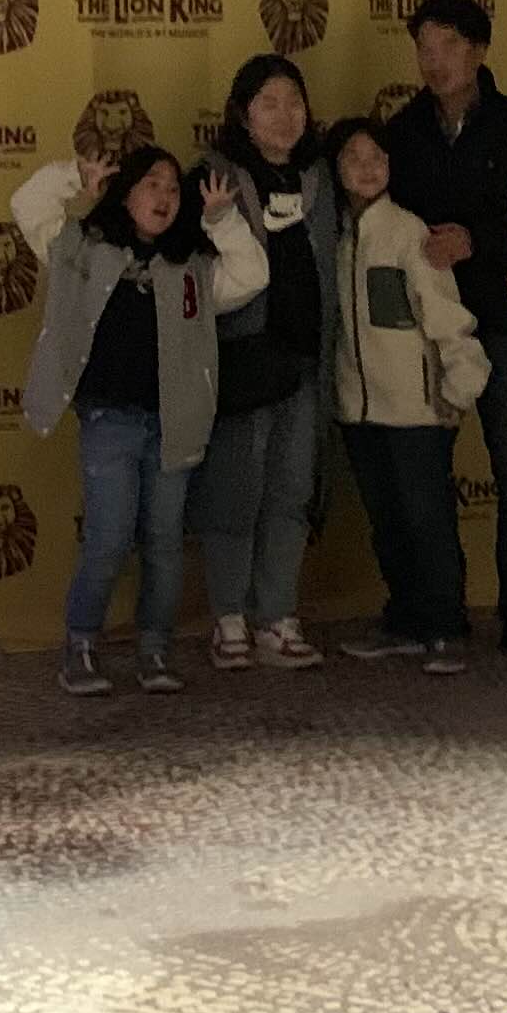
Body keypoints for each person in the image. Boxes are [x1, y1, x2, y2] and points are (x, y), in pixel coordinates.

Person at [16, 143, 269, 698]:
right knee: (108, 537)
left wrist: (222, 220)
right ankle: (81, 645)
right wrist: (73, 177)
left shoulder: (191, 267)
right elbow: (28, 206)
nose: (164, 196)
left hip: (173, 423)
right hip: (109, 419)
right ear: (125, 193)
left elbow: (252, 274)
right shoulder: (84, 250)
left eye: (173, 188)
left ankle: (155, 649)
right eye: (151, 184)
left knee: (164, 542)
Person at [383, 0, 507, 660]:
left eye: (449, 45)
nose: (435, 61)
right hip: (427, 330)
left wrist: (477, 241)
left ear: (479, 50)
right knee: (421, 480)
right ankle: (434, 612)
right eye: (424, 48)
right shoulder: (402, 133)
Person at [319, 115, 488, 676]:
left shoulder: (410, 232)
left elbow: (445, 316)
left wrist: (458, 388)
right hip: (358, 411)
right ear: (335, 170)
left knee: (427, 519)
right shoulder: (334, 238)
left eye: (377, 158)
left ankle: (445, 627)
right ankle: (405, 621)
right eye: (353, 159)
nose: (367, 169)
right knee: (388, 522)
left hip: (418, 410)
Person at [195, 55, 342, 671]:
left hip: (306, 361)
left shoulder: (320, 177)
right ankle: (228, 616)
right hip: (243, 361)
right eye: (269, 104)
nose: (285, 116)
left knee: (291, 490)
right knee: (236, 490)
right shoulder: (214, 177)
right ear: (242, 114)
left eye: (294, 102)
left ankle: (277, 616)